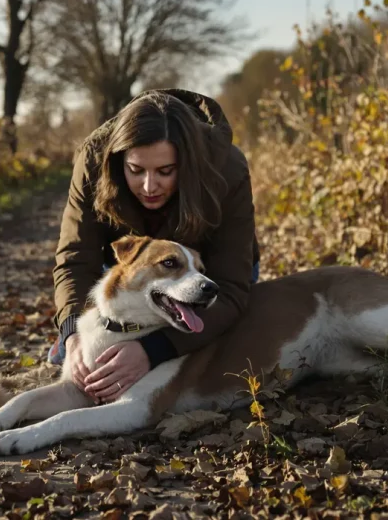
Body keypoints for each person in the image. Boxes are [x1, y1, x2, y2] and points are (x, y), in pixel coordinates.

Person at [48, 88, 261, 404]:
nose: (149, 186)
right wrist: (73, 330)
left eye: (165, 171)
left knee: (216, 341)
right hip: (135, 269)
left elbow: (230, 284)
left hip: (210, 276)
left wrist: (154, 350)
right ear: (119, 159)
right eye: (135, 170)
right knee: (73, 353)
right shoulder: (94, 159)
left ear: (187, 163)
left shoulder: (226, 167)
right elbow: (76, 258)